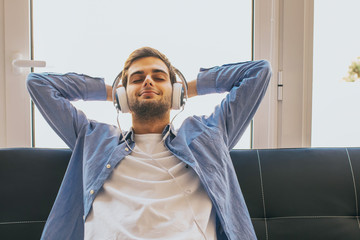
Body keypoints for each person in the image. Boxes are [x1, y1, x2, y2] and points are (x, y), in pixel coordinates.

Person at [27, 47, 272, 240]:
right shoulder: (92, 138)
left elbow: (258, 72)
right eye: (137, 79)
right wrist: (115, 93)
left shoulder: (207, 134)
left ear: (176, 92)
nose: (147, 82)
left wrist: (187, 88)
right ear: (123, 96)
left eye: (159, 77)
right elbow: (38, 83)